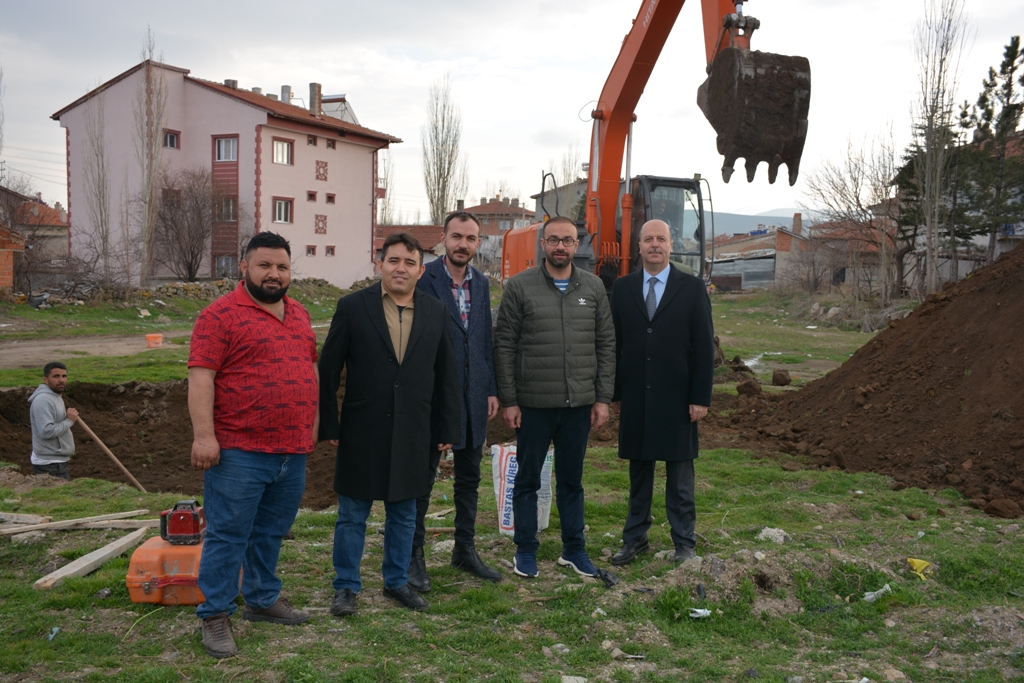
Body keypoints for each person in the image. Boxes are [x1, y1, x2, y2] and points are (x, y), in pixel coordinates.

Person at [188, 231, 318, 659]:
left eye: (281, 266)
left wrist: (313, 422)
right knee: (228, 535)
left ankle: (261, 599)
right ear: (244, 267)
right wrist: (204, 436)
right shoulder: (219, 316)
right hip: (239, 451)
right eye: (264, 265)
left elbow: (310, 369)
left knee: (271, 531)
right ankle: (215, 614)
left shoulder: (299, 314)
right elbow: (201, 377)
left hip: (291, 450)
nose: (273, 274)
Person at [319, 232, 460, 616]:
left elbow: (447, 374)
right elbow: (328, 370)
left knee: (404, 513)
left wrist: (447, 427)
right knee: (352, 515)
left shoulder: (435, 311)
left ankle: (396, 581)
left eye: (410, 262)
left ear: (420, 271)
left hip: (414, 430)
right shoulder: (352, 307)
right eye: (394, 260)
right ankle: (346, 587)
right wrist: (329, 424)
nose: (401, 268)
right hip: (361, 429)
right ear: (380, 264)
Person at [493, 216, 615, 579]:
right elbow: (504, 345)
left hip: (578, 405)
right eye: (553, 240)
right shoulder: (520, 286)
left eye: (567, 240)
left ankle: (574, 550)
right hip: (533, 404)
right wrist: (510, 400)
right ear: (543, 244)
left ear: (577, 245)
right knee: (528, 480)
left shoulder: (593, 287)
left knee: (571, 482)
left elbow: (606, 345)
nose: (560, 246)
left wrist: (602, 398)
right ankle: (525, 549)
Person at [609, 220, 715, 566]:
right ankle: (634, 539)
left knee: (680, 478)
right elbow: (615, 344)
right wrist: (615, 393)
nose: (654, 244)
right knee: (639, 476)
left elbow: (703, 347)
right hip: (636, 397)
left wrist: (700, 397)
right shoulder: (622, 288)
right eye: (648, 239)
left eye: (661, 239)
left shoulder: (692, 288)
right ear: (638, 247)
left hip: (678, 398)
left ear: (671, 245)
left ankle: (684, 542)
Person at [409, 211, 501, 591]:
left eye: (471, 238)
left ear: (478, 243)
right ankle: (414, 555)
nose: (463, 244)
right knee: (423, 480)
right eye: (457, 236)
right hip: (435, 395)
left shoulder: (482, 282)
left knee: (469, 477)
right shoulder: (423, 279)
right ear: (443, 239)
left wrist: (491, 388)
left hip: (474, 393)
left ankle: (464, 549)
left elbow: (483, 339)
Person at [28, 362, 78, 479]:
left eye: (64, 376)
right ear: (46, 380)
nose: (61, 380)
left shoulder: (55, 396)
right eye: (56, 376)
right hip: (48, 463)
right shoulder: (43, 401)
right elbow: (46, 431)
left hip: (55, 460)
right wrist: (69, 421)